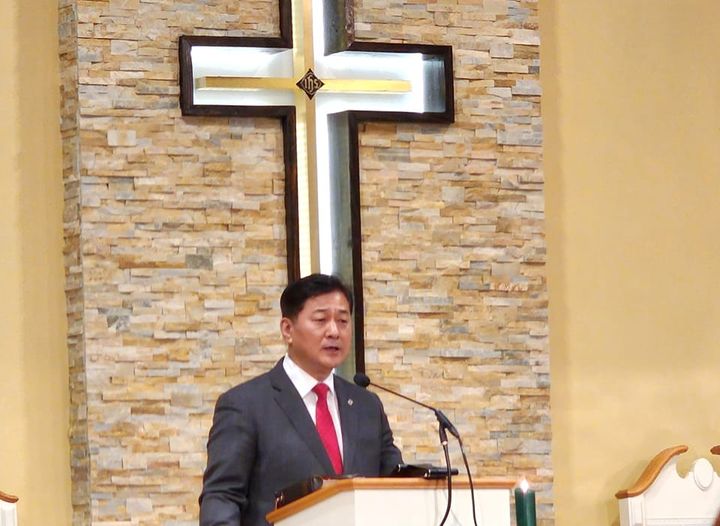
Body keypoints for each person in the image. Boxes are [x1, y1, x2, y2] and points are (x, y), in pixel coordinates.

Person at [199, 273, 403, 525]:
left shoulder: (367, 405)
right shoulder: (246, 405)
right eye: (320, 320)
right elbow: (222, 498)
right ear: (288, 330)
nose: (334, 331)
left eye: (342, 320)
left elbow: (397, 485)